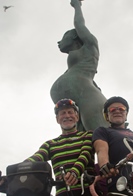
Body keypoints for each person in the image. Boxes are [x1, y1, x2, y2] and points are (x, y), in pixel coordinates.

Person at [50, 0, 108, 131]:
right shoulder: (73, 67)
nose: (59, 42)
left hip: (87, 97)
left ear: (75, 35)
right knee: (79, 141)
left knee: (99, 134)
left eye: (64, 36)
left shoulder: (89, 47)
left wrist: (76, 5)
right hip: (75, 102)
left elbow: (79, 24)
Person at [92, 96, 133, 194]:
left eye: (121, 109)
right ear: (107, 116)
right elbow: (101, 150)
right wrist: (105, 166)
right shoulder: (103, 131)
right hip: (120, 182)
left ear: (126, 114)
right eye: (112, 109)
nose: (117, 111)